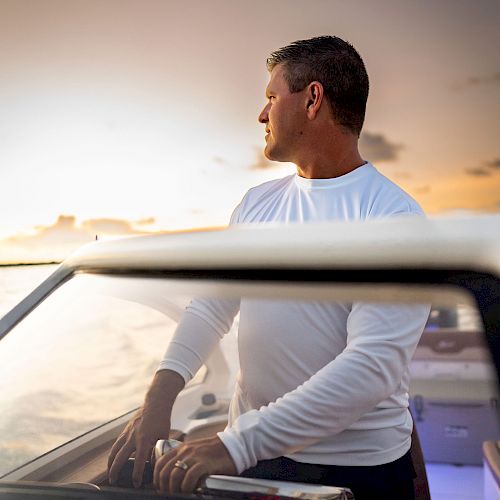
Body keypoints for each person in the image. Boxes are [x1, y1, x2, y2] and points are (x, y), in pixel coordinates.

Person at [108, 36, 429, 499]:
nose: (262, 115)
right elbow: (211, 308)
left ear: (313, 99)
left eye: (272, 98)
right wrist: (158, 398)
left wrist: (235, 444)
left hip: (352, 471)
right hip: (255, 458)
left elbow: (371, 366)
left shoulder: (393, 218)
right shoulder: (257, 204)